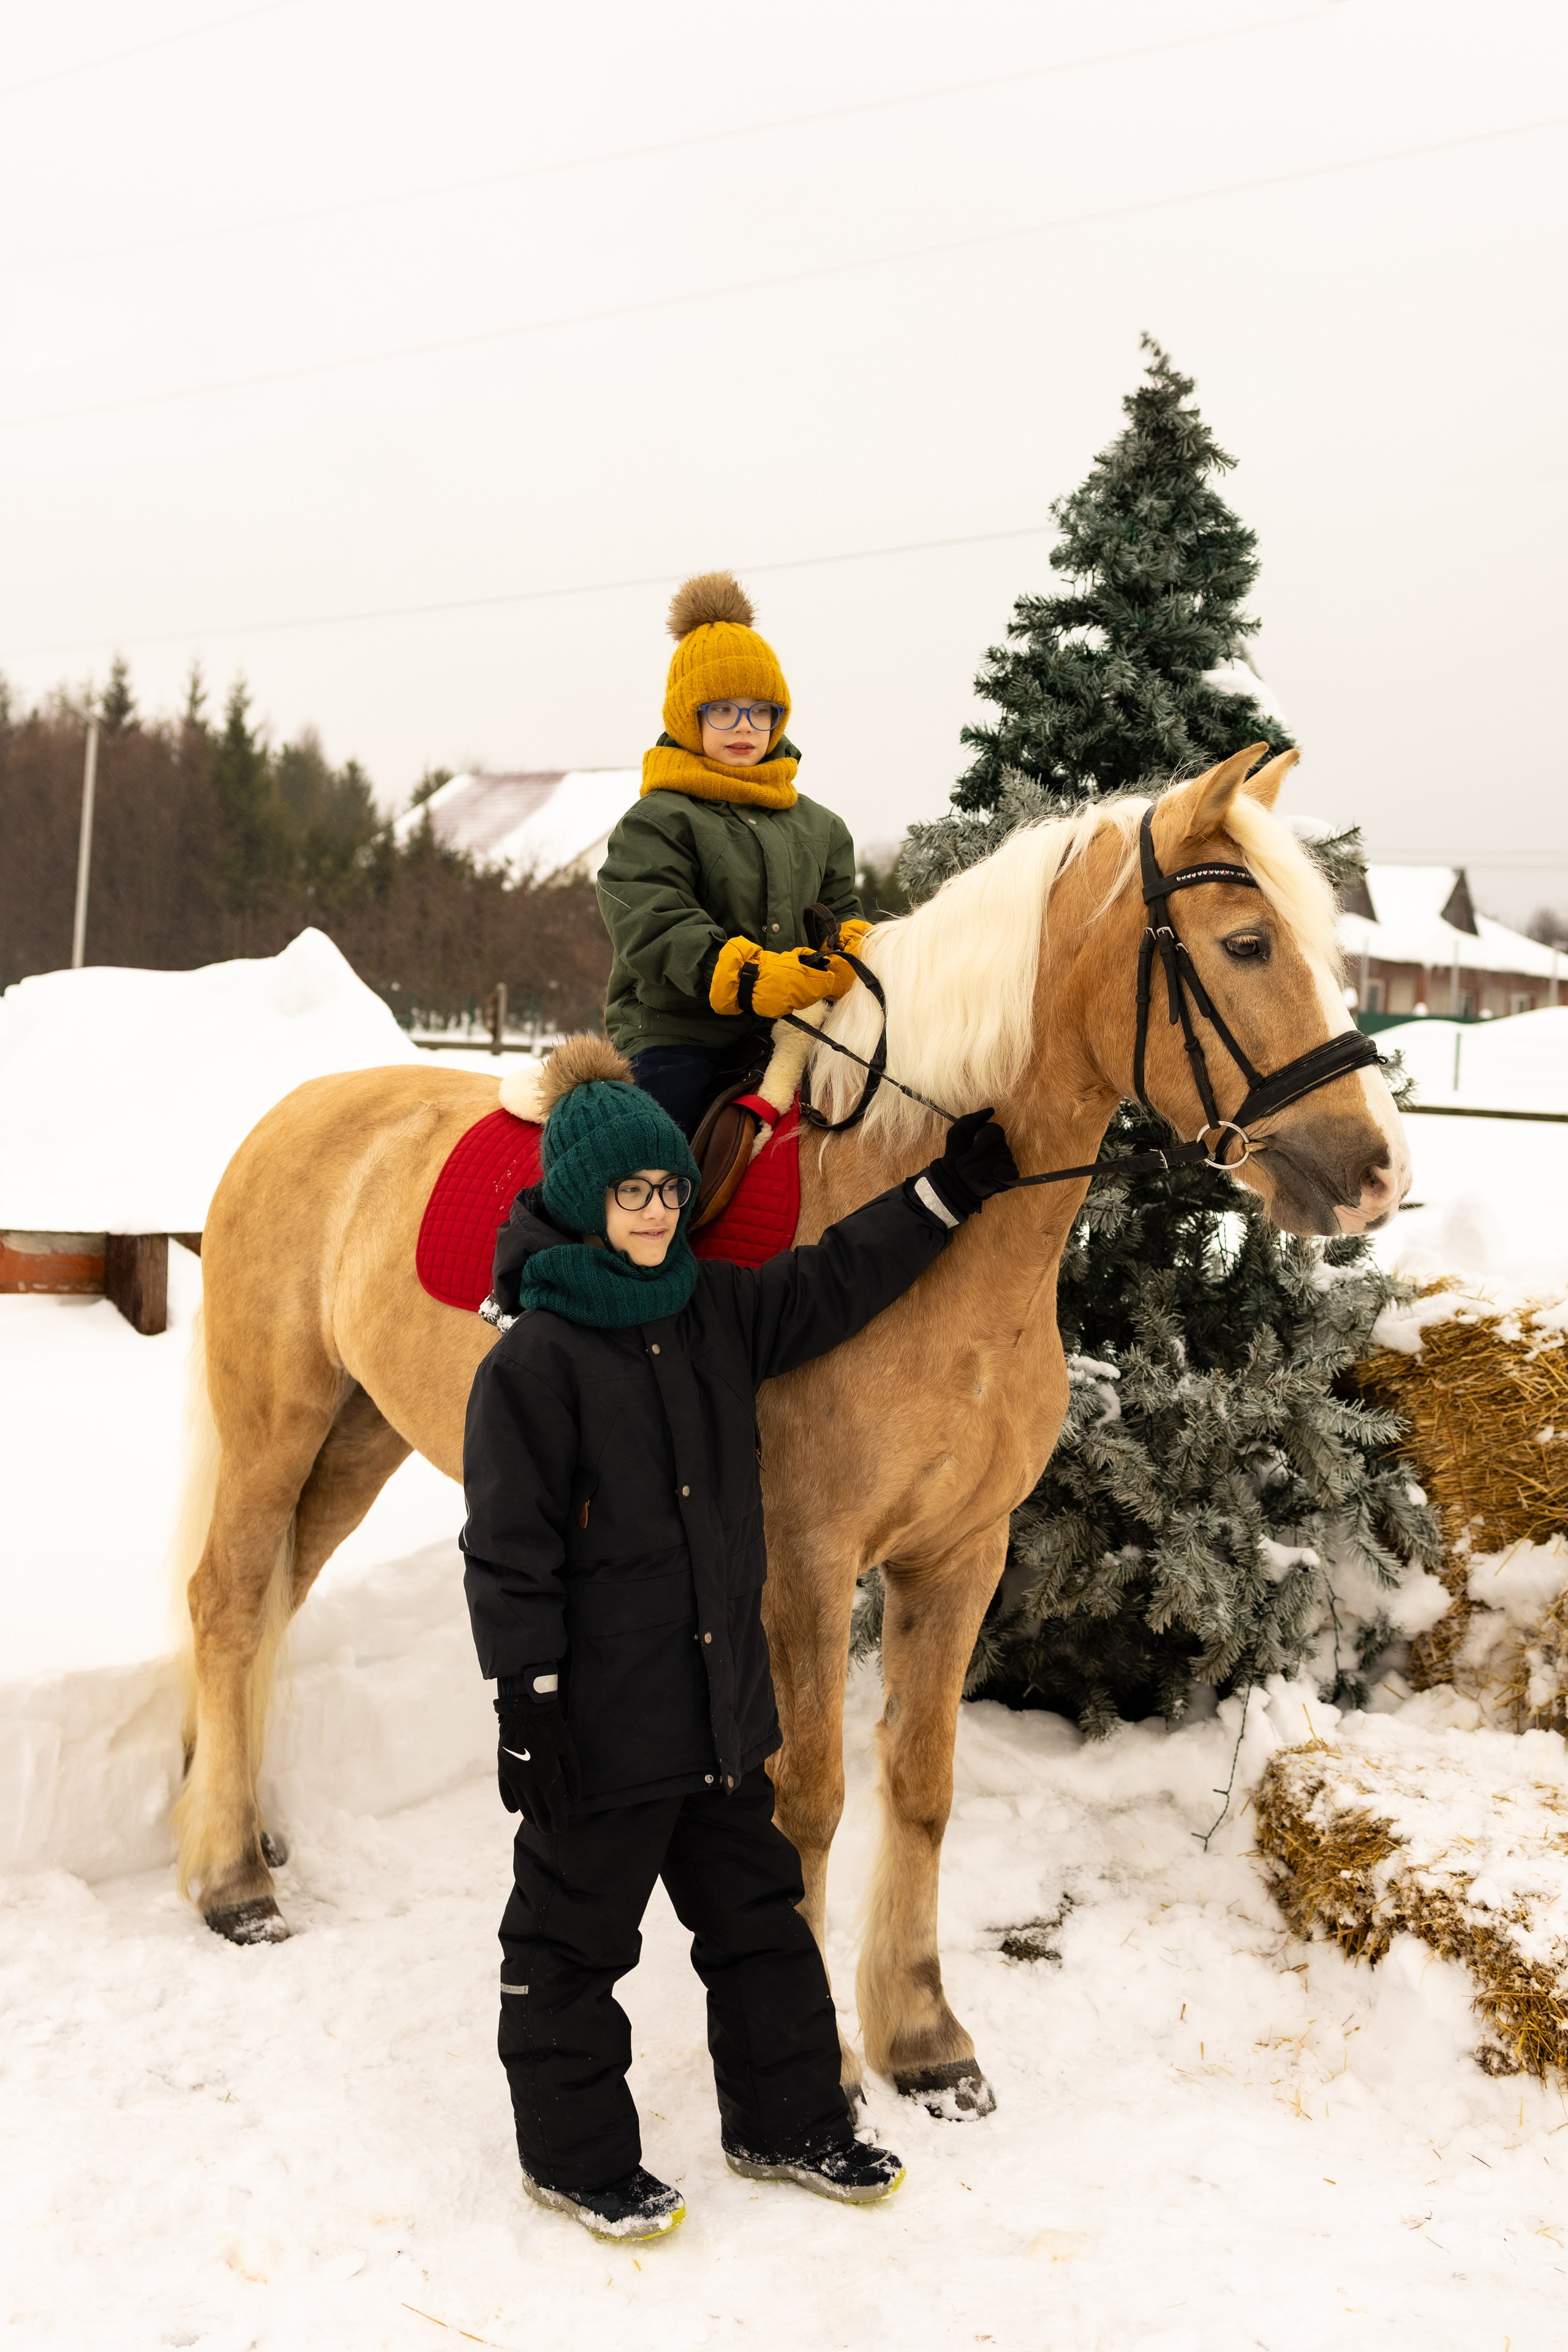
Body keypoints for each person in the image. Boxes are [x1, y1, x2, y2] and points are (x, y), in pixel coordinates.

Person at [460, 1035, 1017, 2243]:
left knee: (762, 1932)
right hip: (601, 1733)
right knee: (569, 1947)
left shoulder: (712, 1309)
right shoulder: (533, 1365)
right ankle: (575, 2159)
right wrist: (527, 1701)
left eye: (668, 1189)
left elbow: (837, 1279)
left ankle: (787, 2123)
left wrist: (945, 1191)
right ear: (582, 1200)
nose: (656, 1212)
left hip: (718, 1717)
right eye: (630, 1193)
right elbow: (507, 1553)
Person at [596, 570, 872, 1137]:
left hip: (797, 1029)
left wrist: (849, 954)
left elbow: (842, 911)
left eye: (760, 710)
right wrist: (748, 976)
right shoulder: (657, 820)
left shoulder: (821, 826)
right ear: (688, 716)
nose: (744, 726)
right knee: (658, 1147)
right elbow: (654, 925)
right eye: (722, 709)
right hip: (680, 1033)